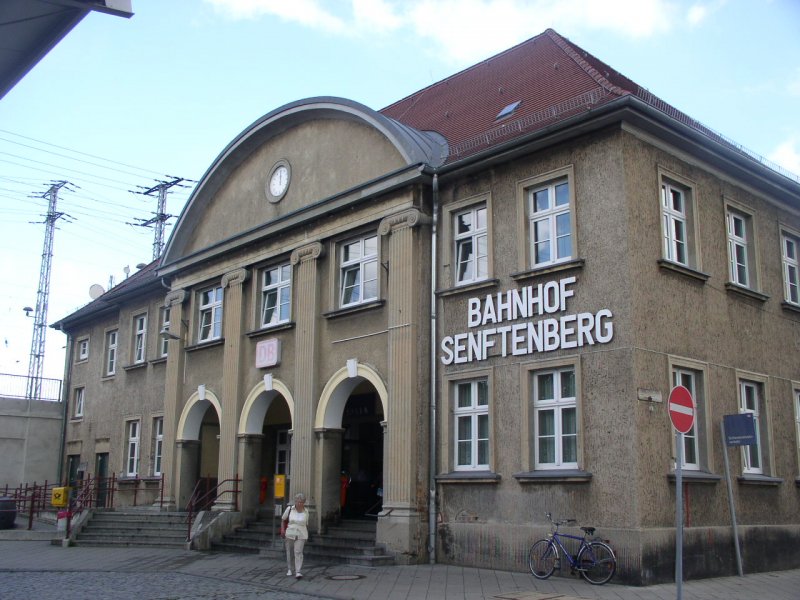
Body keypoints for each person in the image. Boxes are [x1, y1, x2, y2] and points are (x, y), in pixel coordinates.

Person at [280, 492, 309, 578]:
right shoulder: (289, 509)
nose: (299, 503)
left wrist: (306, 535)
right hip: (290, 533)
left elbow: (306, 524)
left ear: (304, 502)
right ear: (295, 501)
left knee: (298, 552)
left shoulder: (306, 511)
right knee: (290, 552)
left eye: (301, 502)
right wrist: (282, 530)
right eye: (298, 501)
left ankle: (298, 571)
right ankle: (290, 569)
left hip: (301, 533)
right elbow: (283, 519)